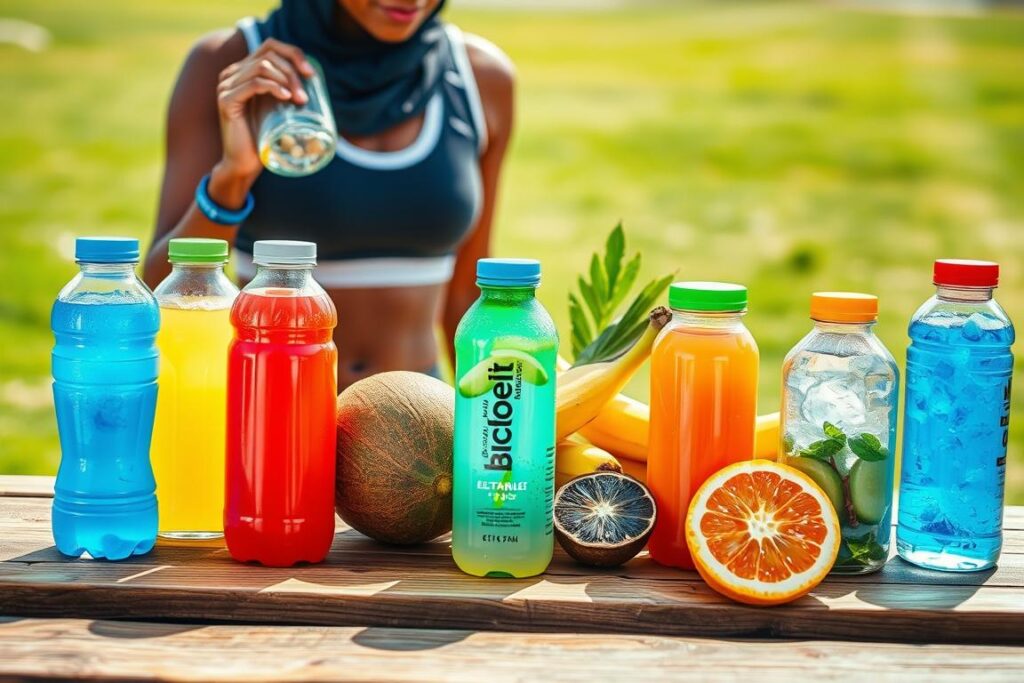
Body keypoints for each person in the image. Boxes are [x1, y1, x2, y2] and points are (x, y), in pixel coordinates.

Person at [143, 0, 514, 387]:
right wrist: (232, 178)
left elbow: (468, 301)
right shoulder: (230, 65)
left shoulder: (480, 78)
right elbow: (161, 290)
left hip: (415, 428)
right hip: (271, 413)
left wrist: (492, 430)